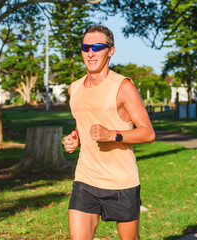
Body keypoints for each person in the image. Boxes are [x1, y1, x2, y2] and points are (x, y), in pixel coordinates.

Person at [63, 25, 155, 240]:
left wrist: (113, 135)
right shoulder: (74, 88)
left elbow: (148, 133)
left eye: (97, 47)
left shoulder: (123, 87)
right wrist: (75, 137)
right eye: (86, 47)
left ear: (110, 51)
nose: (90, 53)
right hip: (86, 180)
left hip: (121, 182)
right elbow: (83, 123)